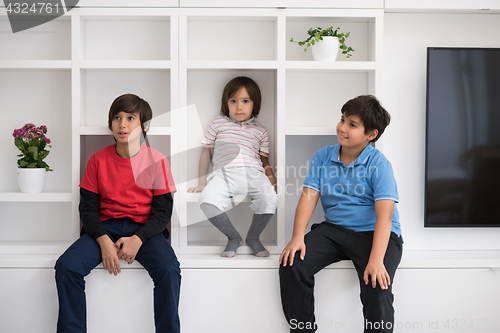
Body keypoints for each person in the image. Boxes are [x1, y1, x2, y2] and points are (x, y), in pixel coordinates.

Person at [55, 94, 181, 333]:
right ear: (111, 124)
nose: (122, 124)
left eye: (130, 118)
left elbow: (163, 212)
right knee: (66, 267)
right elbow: (88, 208)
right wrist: (103, 241)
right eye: (117, 118)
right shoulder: (97, 160)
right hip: (105, 228)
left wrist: (138, 239)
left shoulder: (157, 161)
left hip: (145, 232)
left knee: (169, 269)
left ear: (144, 125)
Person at [279, 95, 403, 333]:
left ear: (371, 134)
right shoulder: (323, 156)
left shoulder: (379, 165)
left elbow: (385, 218)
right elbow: (308, 197)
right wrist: (297, 237)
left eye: (352, 125)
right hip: (334, 229)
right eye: (342, 119)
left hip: (375, 233)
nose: (342, 128)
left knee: (377, 285)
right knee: (292, 263)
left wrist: (376, 260)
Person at [188, 76, 278, 258]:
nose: (239, 107)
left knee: (270, 199)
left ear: (255, 103)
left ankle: (253, 237)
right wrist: (201, 182)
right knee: (206, 201)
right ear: (226, 103)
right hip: (224, 174)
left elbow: (264, 161)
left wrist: (272, 180)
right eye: (233, 101)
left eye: (245, 101)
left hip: (254, 173)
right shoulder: (218, 123)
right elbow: (206, 152)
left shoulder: (260, 131)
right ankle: (233, 237)